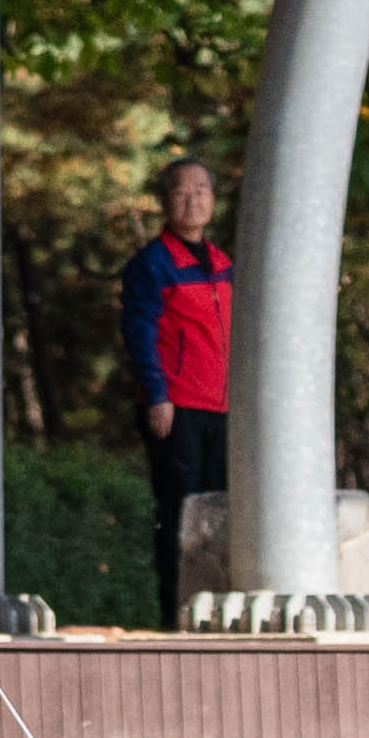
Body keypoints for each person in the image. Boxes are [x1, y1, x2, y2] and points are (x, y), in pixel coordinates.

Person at [120, 156, 233, 624]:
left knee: (218, 509)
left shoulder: (223, 264)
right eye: (182, 190)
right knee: (179, 510)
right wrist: (157, 395)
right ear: (165, 201)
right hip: (177, 405)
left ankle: (213, 608)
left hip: (221, 407)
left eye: (202, 189)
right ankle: (175, 613)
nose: (193, 199)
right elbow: (139, 333)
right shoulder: (153, 264)